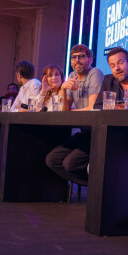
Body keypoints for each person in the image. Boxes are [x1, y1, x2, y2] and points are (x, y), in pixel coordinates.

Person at [45, 44, 104, 187]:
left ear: (90, 59)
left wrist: (68, 112)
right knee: (52, 160)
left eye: (81, 56)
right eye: (73, 57)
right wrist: (64, 89)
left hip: (97, 132)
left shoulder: (95, 73)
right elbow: (64, 110)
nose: (77, 60)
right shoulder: (72, 76)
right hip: (83, 132)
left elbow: (91, 108)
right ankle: (95, 186)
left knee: (70, 163)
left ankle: (100, 188)